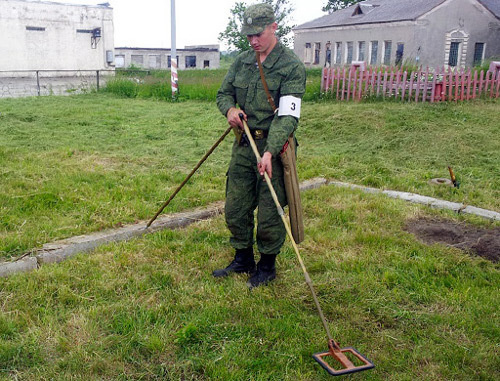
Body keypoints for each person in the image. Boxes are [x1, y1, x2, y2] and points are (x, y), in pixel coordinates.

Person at [213, 3, 306, 288]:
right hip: (244, 145)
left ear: (273, 28)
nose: (253, 41)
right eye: (248, 35)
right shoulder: (242, 61)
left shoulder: (292, 67)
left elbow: (288, 116)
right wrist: (229, 111)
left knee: (270, 211)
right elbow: (224, 94)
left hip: (274, 149)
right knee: (235, 207)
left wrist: (269, 152)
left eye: (258, 34)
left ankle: (267, 265)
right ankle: (242, 258)